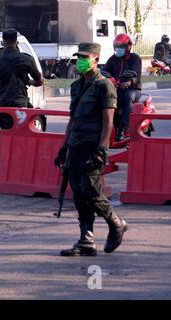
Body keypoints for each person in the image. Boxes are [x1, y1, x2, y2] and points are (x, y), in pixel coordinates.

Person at [55, 42, 128, 257]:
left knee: (91, 191)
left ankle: (116, 223)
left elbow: (108, 123)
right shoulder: (77, 86)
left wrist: (102, 151)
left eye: (85, 57)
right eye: (78, 57)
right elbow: (72, 120)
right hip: (75, 146)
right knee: (78, 193)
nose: (80, 61)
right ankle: (86, 240)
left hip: (92, 147)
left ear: (96, 59)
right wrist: (63, 147)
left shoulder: (104, 85)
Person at [0, 28, 43, 108]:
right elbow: (39, 82)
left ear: (3, 43)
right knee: (31, 117)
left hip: (3, 105)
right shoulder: (27, 59)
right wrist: (29, 82)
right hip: (21, 105)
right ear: (17, 42)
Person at [103, 33, 142, 141]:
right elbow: (104, 70)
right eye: (117, 47)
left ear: (129, 46)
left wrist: (129, 82)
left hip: (132, 89)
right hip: (115, 88)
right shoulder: (113, 59)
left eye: (121, 47)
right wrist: (109, 77)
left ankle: (123, 128)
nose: (118, 49)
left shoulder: (135, 58)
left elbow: (136, 74)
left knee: (127, 98)